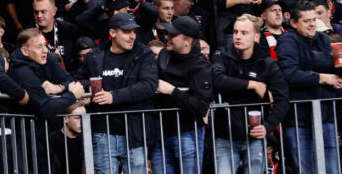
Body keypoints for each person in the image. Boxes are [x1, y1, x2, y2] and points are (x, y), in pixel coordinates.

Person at [72, 13, 157, 174]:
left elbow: (149, 85)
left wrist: (113, 97)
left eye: (134, 31)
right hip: (103, 130)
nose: (132, 36)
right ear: (112, 33)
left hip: (134, 131)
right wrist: (87, 87)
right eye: (126, 32)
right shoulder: (95, 54)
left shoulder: (143, 53)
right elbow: (79, 80)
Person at [276, 0, 342, 174]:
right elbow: (289, 74)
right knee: (305, 169)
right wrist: (321, 78)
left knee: (332, 168)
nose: (312, 24)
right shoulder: (287, 41)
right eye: (306, 20)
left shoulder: (324, 39)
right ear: (293, 23)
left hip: (326, 117)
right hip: (299, 119)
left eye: (314, 19)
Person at [210, 14, 290, 174]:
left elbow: (282, 99)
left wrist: (267, 127)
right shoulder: (222, 54)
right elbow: (216, 79)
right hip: (224, 135)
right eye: (235, 32)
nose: (238, 36)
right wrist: (251, 84)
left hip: (255, 137)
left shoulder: (266, 63)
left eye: (244, 33)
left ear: (256, 37)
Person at [150, 17, 212, 174]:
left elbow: (200, 106)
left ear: (187, 40)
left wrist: (172, 91)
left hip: (187, 133)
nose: (167, 37)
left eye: (173, 35)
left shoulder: (201, 66)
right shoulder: (164, 55)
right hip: (160, 135)